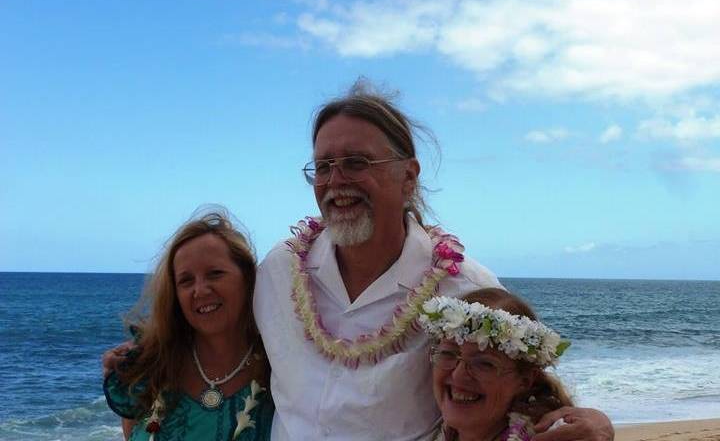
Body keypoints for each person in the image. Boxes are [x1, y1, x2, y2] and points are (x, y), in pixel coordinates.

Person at [253, 83, 614, 440]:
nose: (335, 180)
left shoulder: (465, 290)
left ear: (408, 178)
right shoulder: (279, 269)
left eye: (356, 162)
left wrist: (596, 423)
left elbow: (514, 390)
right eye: (323, 166)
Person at [103, 211, 274, 441]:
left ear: (248, 278)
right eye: (186, 280)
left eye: (215, 274)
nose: (200, 290)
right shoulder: (147, 368)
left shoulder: (281, 369)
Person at [420, 288, 574, 441]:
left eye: (484, 364)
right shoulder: (433, 432)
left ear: (525, 380)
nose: (458, 375)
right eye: (448, 354)